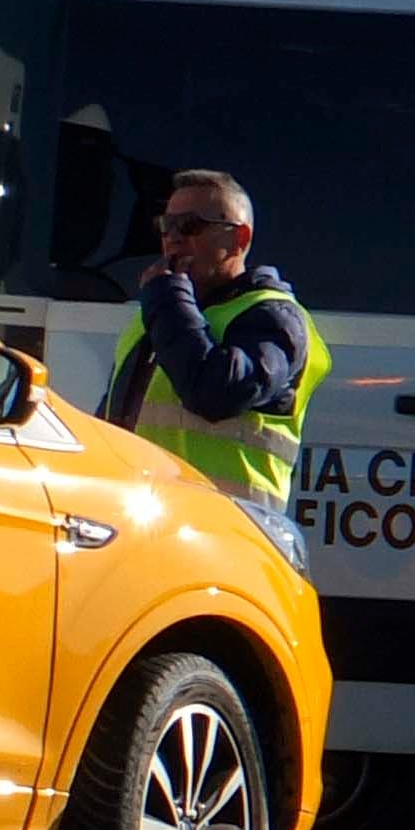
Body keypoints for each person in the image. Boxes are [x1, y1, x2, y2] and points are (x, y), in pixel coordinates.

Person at [102, 168, 329, 567]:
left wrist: (168, 300)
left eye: (191, 225)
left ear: (239, 238)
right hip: (147, 533)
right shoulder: (156, 312)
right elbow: (112, 423)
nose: (173, 237)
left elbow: (214, 392)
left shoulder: (274, 318)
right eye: (166, 224)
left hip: (229, 545)